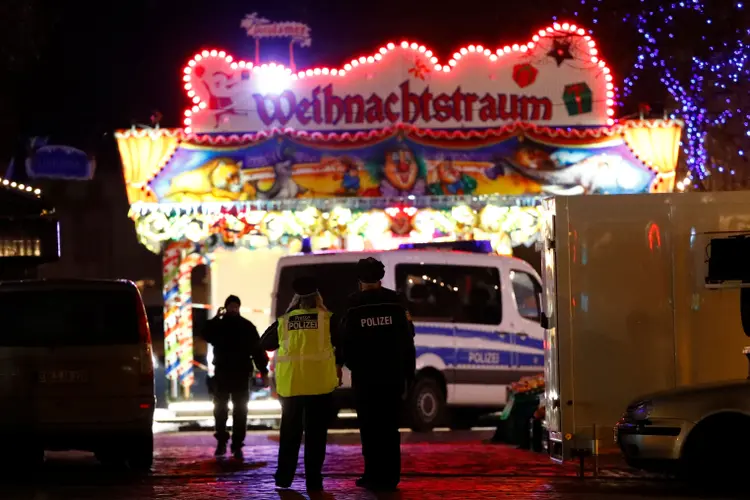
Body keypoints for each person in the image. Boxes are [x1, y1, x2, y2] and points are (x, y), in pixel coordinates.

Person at [260, 277, 344, 492]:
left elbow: (265, 342)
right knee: (316, 435)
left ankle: (284, 478)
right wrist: (339, 365)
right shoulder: (327, 319)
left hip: (292, 386)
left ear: (296, 300)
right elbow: (344, 343)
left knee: (290, 433)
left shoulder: (285, 321)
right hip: (319, 386)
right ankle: (314, 481)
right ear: (318, 298)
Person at [341, 257, 416, 492]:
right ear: (380, 276)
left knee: (369, 427)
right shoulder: (396, 302)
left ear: (359, 279)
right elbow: (408, 338)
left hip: (365, 377)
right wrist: (408, 373)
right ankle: (391, 476)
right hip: (392, 375)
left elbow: (345, 340)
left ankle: (372, 474)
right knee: (389, 426)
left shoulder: (353, 305)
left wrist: (350, 364)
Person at [202, 294, 269, 460]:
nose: (233, 309)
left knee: (239, 411)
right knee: (221, 410)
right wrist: (216, 318)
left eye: (235, 306)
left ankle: (237, 444)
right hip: (224, 373)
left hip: (239, 373)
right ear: (226, 307)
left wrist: (264, 371)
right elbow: (204, 332)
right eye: (230, 306)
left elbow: (257, 350)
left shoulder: (246, 327)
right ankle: (222, 442)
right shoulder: (220, 325)